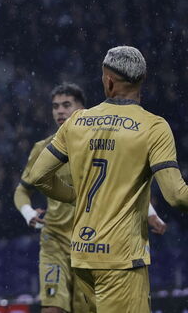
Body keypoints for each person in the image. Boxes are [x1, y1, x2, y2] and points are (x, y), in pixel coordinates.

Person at [29, 46, 188, 313]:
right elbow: (176, 195)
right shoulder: (153, 127)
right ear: (141, 79)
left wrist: (75, 196)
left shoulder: (77, 121)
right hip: (120, 260)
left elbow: (38, 176)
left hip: (81, 256)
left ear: (108, 79)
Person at [14, 82, 166, 313]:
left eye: (67, 105)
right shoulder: (43, 148)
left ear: (82, 109)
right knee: (52, 309)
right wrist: (28, 213)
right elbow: (22, 190)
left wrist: (149, 212)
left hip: (91, 241)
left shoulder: (101, 144)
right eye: (55, 106)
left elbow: (120, 185)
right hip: (54, 240)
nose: (60, 111)